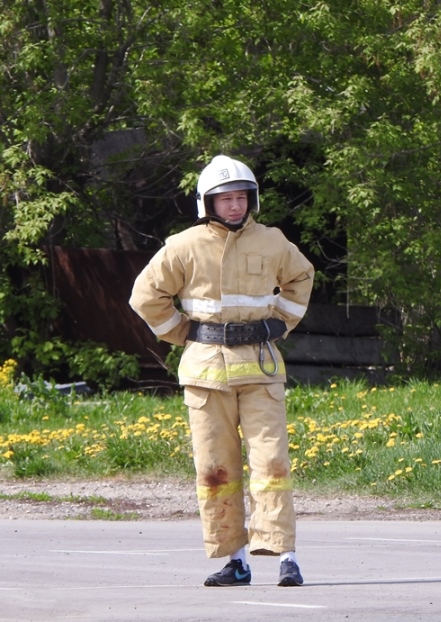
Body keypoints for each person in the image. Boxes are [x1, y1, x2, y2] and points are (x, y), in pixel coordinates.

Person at [129, 154, 314, 587]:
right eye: (225, 198)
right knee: (216, 469)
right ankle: (236, 561)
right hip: (206, 372)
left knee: (272, 463)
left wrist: (280, 323)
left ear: (252, 200)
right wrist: (181, 333)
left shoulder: (272, 241)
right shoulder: (183, 246)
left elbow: (301, 277)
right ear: (207, 203)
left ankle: (286, 557)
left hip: (261, 369)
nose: (234, 205)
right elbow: (145, 296)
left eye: (241, 197)